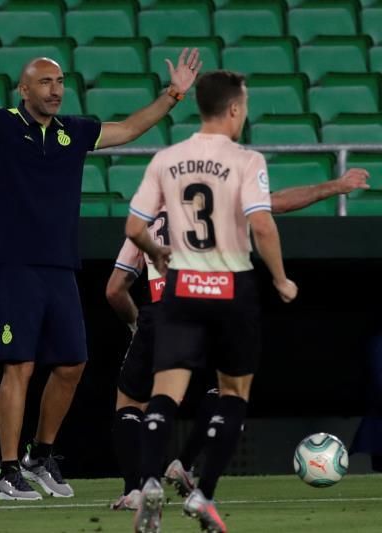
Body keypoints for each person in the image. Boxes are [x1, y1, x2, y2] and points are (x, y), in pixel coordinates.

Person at [0, 50, 202, 501]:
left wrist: (174, 95)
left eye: (60, 81)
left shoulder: (75, 131)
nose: (55, 89)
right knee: (20, 365)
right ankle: (7, 472)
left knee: (73, 363)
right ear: (24, 90)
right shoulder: (2, 125)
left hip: (61, 266)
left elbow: (127, 129)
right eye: (45, 82)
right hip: (14, 266)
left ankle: (40, 455)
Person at [107, 168, 369, 510]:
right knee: (226, 391)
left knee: (131, 404)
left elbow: (114, 290)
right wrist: (336, 185)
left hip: (163, 310)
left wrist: (136, 324)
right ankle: (184, 464)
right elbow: (279, 203)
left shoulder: (146, 219)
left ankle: (135, 490)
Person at [124, 70, 299, 533]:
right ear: (235, 109)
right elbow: (262, 224)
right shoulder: (247, 159)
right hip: (230, 286)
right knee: (233, 393)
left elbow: (133, 228)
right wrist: (280, 278)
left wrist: (157, 251)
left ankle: (149, 484)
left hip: (180, 287)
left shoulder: (167, 158)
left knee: (165, 394)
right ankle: (203, 495)